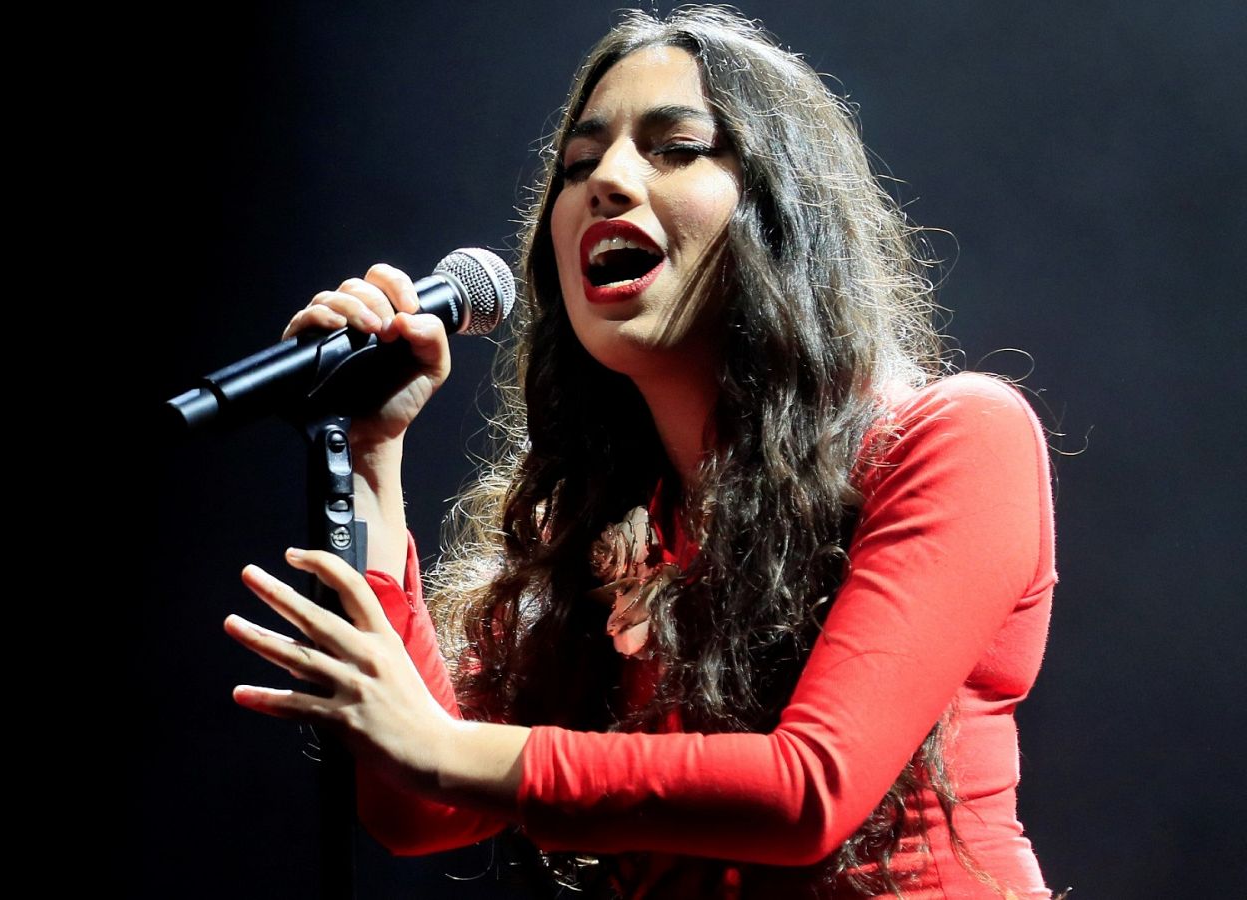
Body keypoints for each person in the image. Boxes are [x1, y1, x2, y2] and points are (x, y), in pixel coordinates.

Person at [222, 6, 1057, 898]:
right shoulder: (605, 526)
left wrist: (446, 748)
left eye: (677, 148)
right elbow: (419, 809)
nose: (606, 181)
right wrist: (376, 458)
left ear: (783, 210)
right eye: (579, 164)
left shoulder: (956, 436)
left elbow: (811, 789)